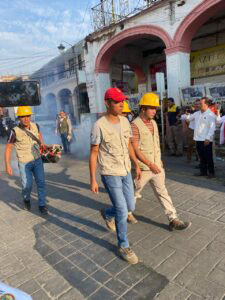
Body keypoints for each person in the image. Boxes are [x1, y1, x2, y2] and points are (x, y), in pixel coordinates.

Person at [89, 87, 141, 264]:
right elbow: (94, 153)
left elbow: (128, 146)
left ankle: (107, 213)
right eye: (118, 102)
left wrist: (136, 165)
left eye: (122, 101)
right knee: (122, 209)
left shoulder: (126, 121)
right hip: (110, 172)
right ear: (108, 103)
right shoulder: (99, 126)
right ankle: (123, 245)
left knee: (130, 206)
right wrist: (93, 179)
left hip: (125, 170)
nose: (122, 105)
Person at [131, 93, 191, 231]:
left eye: (155, 109)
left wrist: (159, 161)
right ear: (143, 108)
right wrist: (150, 164)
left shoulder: (153, 122)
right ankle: (125, 213)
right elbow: (135, 149)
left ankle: (173, 219)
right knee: (133, 193)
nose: (154, 111)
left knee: (163, 192)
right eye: (151, 108)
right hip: (144, 169)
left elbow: (156, 144)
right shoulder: (134, 125)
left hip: (157, 166)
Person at [4, 106, 48, 214]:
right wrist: (7, 165)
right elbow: (9, 148)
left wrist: (42, 144)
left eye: (27, 116)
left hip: (37, 160)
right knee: (26, 186)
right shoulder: (14, 131)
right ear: (19, 117)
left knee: (41, 183)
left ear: (30, 116)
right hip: (24, 163)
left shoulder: (35, 125)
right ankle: (26, 199)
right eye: (23, 116)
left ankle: (42, 204)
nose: (26, 118)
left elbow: (39, 135)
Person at [188, 98, 217, 178]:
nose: (199, 105)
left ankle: (212, 173)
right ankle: (203, 172)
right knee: (201, 157)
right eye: (199, 103)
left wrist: (208, 138)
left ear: (206, 104)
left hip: (206, 140)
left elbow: (212, 128)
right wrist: (188, 112)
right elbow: (188, 119)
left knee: (208, 157)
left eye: (200, 103)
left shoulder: (210, 114)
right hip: (198, 139)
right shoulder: (197, 113)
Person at [121, 100, 138, 224]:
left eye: (126, 114)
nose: (125, 116)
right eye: (123, 113)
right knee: (120, 195)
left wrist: (136, 163)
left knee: (129, 192)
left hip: (126, 164)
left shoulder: (126, 124)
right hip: (113, 168)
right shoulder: (103, 125)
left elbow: (129, 145)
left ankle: (128, 211)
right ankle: (126, 214)